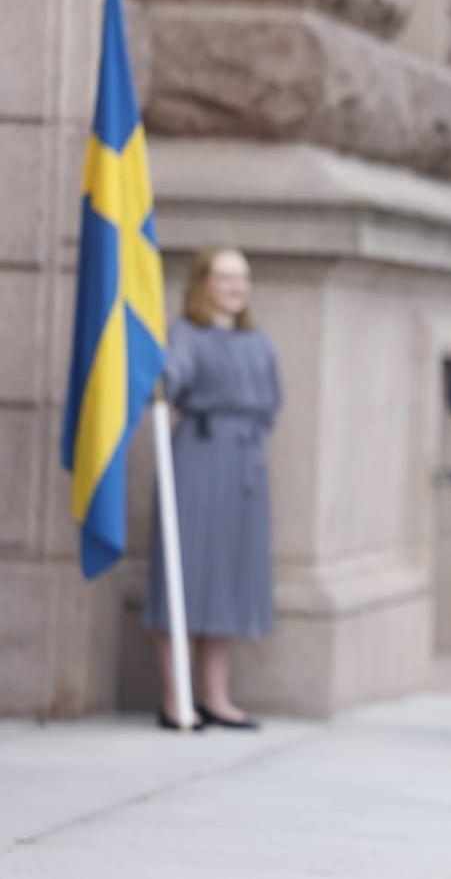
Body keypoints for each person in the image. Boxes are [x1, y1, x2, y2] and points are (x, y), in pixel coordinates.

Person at [144, 247, 280, 732]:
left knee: (229, 577)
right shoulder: (185, 334)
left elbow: (272, 403)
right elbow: (169, 380)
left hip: (245, 465)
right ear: (203, 282)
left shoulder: (258, 340)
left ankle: (216, 696)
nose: (235, 287)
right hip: (197, 459)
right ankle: (175, 697)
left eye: (242, 277)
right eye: (225, 277)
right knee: (185, 572)